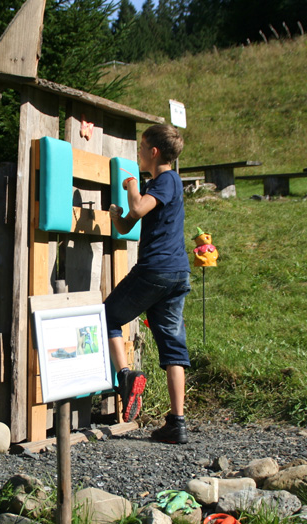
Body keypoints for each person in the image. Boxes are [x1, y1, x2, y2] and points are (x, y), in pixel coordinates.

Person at [106, 124, 191, 444]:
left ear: (154, 152)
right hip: (175, 275)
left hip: (157, 270)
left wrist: (130, 186)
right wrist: (116, 215)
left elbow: (138, 207)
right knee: (172, 347)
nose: (138, 153)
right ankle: (176, 424)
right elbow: (130, 219)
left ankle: (126, 376)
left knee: (108, 316)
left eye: (141, 148)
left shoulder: (166, 179)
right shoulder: (161, 184)